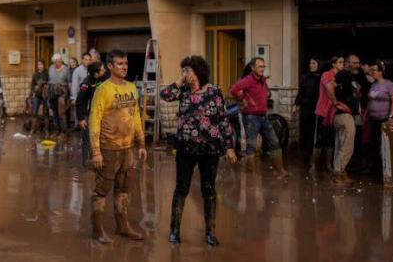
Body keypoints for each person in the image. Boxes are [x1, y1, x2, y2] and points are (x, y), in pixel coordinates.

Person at [161, 55, 237, 246]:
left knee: (209, 190)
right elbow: (165, 95)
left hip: (209, 148)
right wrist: (179, 81)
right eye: (183, 70)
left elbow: (223, 120)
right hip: (185, 148)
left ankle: (210, 232)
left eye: (187, 70)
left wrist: (229, 148)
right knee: (181, 189)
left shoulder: (214, 91)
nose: (184, 74)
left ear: (198, 72)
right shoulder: (183, 90)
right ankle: (174, 231)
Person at [89, 49, 147, 244]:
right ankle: (97, 231)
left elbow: (136, 116)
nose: (124, 67)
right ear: (110, 66)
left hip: (127, 148)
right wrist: (96, 151)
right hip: (107, 148)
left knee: (124, 189)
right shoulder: (103, 90)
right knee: (102, 189)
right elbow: (94, 121)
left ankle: (123, 227)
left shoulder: (131, 87)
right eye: (120, 64)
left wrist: (141, 143)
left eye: (126, 63)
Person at [230, 57, 289, 178]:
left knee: (274, 142)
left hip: (263, 116)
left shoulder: (263, 80)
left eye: (263, 66)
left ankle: (280, 171)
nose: (262, 69)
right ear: (253, 68)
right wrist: (241, 99)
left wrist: (266, 94)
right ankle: (250, 175)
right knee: (251, 147)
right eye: (260, 66)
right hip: (251, 118)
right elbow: (233, 89)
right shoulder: (247, 80)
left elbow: (265, 92)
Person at [366, 60, 393, 179]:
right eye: (371, 70)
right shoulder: (373, 85)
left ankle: (385, 172)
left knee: (383, 146)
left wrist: (391, 117)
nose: (372, 72)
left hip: (384, 120)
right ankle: (375, 169)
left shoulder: (389, 84)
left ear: (381, 71)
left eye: (374, 70)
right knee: (373, 144)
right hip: (373, 119)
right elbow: (370, 100)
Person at [312, 56, 345, 174]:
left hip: (333, 113)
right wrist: (336, 102)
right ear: (333, 64)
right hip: (323, 111)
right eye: (340, 62)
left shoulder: (341, 76)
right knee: (320, 139)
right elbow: (329, 89)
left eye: (343, 62)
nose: (342, 64)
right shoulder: (327, 74)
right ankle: (314, 166)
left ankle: (327, 165)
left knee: (331, 139)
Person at [332, 64, 359, 184]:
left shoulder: (348, 77)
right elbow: (330, 86)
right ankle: (338, 174)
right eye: (355, 62)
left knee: (341, 145)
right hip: (343, 115)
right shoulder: (342, 75)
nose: (357, 65)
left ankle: (341, 173)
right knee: (347, 147)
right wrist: (336, 102)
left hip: (343, 115)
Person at [76, 62, 106, 168]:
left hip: (101, 115)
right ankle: (86, 165)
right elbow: (79, 102)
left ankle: (99, 163)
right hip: (88, 117)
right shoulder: (86, 84)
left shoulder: (103, 79)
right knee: (87, 141)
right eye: (102, 69)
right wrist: (81, 119)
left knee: (100, 140)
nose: (105, 70)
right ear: (96, 73)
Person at [295, 58, 321, 151]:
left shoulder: (321, 77)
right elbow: (301, 91)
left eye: (313, 63)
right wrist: (296, 105)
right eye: (310, 63)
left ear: (318, 65)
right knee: (305, 128)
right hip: (306, 107)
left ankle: (314, 150)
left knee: (315, 129)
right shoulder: (305, 77)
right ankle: (305, 150)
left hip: (316, 106)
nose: (311, 65)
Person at [48, 53, 70, 136]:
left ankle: (64, 132)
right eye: (55, 62)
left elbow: (69, 81)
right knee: (54, 112)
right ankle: (57, 130)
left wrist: (70, 94)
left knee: (62, 113)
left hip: (62, 93)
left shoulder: (66, 69)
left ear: (61, 60)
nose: (57, 63)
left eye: (58, 61)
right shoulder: (51, 68)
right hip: (52, 92)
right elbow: (49, 79)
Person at [29, 60, 49, 136]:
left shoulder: (47, 74)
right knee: (34, 112)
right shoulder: (35, 74)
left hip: (45, 95)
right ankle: (32, 129)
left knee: (45, 113)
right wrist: (31, 95)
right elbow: (32, 86)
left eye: (41, 64)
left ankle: (46, 130)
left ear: (44, 65)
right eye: (38, 65)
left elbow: (49, 83)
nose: (39, 66)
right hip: (37, 95)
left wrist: (44, 83)